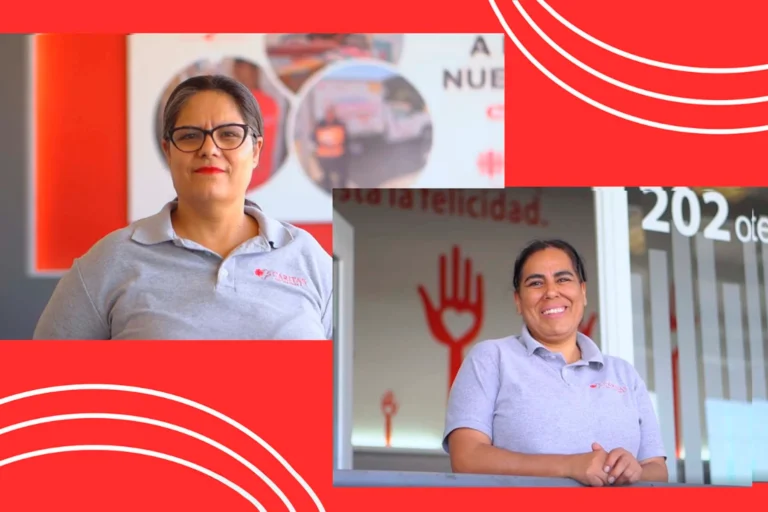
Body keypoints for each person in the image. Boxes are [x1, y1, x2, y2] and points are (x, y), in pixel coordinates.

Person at [34, 75, 332, 341]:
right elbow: (46, 382)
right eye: (190, 135)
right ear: (168, 151)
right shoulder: (111, 260)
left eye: (229, 134)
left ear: (255, 151)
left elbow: (357, 384)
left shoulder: (308, 258)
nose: (209, 149)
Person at [443, 239, 668, 487]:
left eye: (563, 279)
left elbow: (657, 469)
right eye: (536, 283)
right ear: (518, 300)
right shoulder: (491, 358)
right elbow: (467, 458)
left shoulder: (624, 374)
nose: (551, 291)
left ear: (583, 292)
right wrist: (569, 466)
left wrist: (633, 471)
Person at [312, 105, 350, 191]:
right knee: (326, 177)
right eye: (328, 113)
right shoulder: (319, 125)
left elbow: (346, 140)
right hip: (324, 157)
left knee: (342, 176)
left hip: (338, 155)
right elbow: (314, 139)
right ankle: (327, 193)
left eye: (331, 113)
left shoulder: (340, 124)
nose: (330, 115)